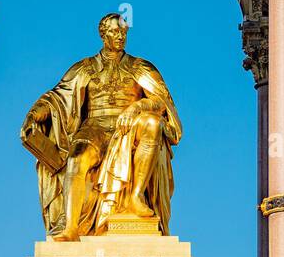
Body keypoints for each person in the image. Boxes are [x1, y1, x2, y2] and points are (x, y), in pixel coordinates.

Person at [21, 13, 182, 240]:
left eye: (123, 32)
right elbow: (57, 99)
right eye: (115, 32)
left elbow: (161, 102)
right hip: (93, 128)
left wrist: (137, 107)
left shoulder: (140, 67)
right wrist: (34, 115)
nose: (120, 36)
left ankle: (135, 196)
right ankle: (70, 226)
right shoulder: (84, 68)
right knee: (76, 159)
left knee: (153, 123)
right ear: (103, 35)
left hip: (128, 128)